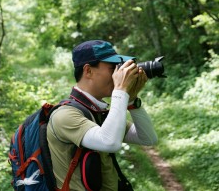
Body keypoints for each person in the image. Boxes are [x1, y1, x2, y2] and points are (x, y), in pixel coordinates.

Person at [47, 40, 158, 191]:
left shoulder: (98, 113)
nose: (118, 75)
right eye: (113, 68)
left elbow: (148, 138)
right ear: (88, 71)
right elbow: (110, 142)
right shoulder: (65, 115)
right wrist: (120, 90)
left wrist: (131, 100)